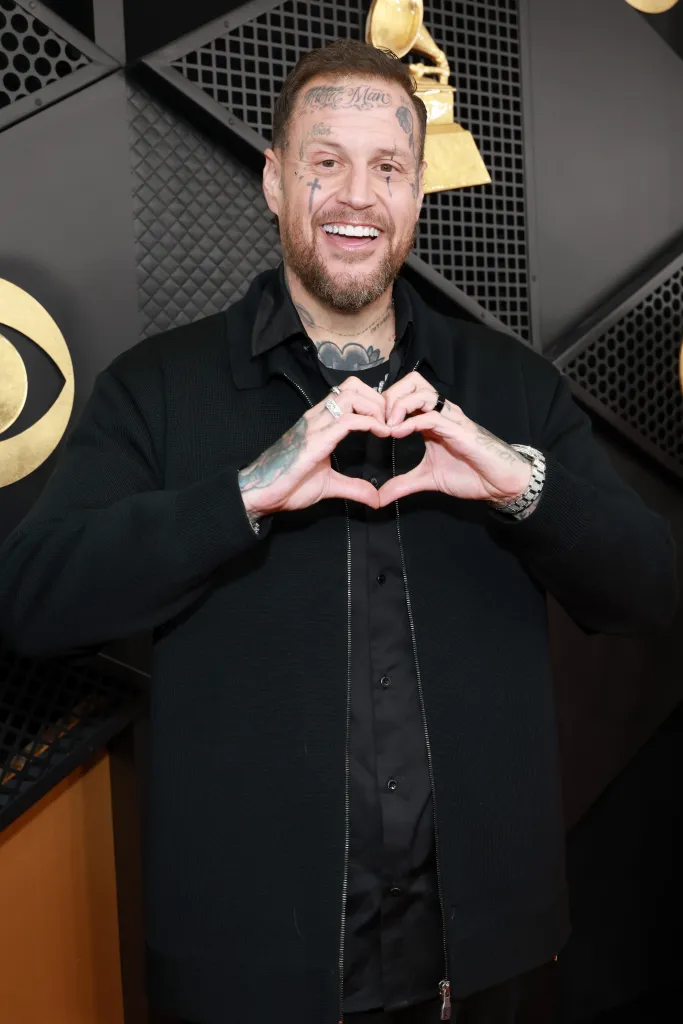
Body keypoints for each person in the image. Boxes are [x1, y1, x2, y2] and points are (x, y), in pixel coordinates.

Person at [0, 38, 676, 1024]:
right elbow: (30, 598)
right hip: (246, 976)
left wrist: (521, 486)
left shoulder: (510, 390)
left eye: (387, 167)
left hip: (487, 966)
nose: (355, 194)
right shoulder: (155, 389)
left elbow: (646, 589)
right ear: (275, 182)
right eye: (325, 161)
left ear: (415, 194)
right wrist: (243, 495)